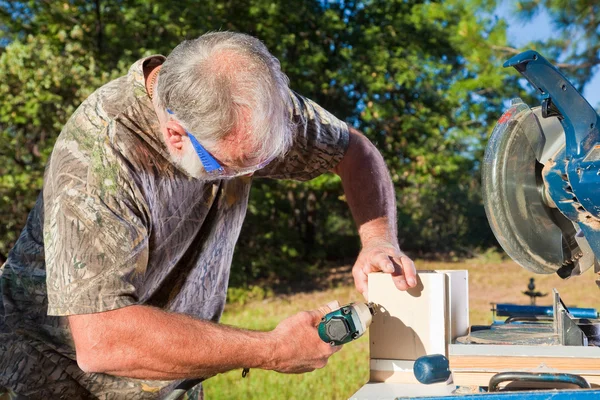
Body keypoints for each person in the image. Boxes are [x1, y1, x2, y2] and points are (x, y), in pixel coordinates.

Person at [0, 31, 417, 399]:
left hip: (170, 373)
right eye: (232, 167)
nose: (249, 177)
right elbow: (103, 340)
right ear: (175, 134)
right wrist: (272, 348)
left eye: (261, 163)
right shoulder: (99, 157)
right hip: (57, 378)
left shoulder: (248, 102)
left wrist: (378, 239)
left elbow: (353, 150)